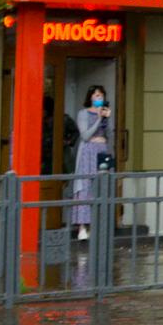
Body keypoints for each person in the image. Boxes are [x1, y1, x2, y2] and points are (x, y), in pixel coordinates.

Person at [73, 84, 112, 242]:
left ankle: (100, 226)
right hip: (88, 151)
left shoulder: (105, 113)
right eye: (96, 95)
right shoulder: (83, 113)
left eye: (101, 95)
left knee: (102, 186)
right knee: (85, 186)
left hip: (102, 150)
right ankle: (82, 226)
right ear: (90, 97)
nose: (98, 98)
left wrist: (107, 119)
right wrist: (98, 119)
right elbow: (85, 135)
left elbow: (109, 134)